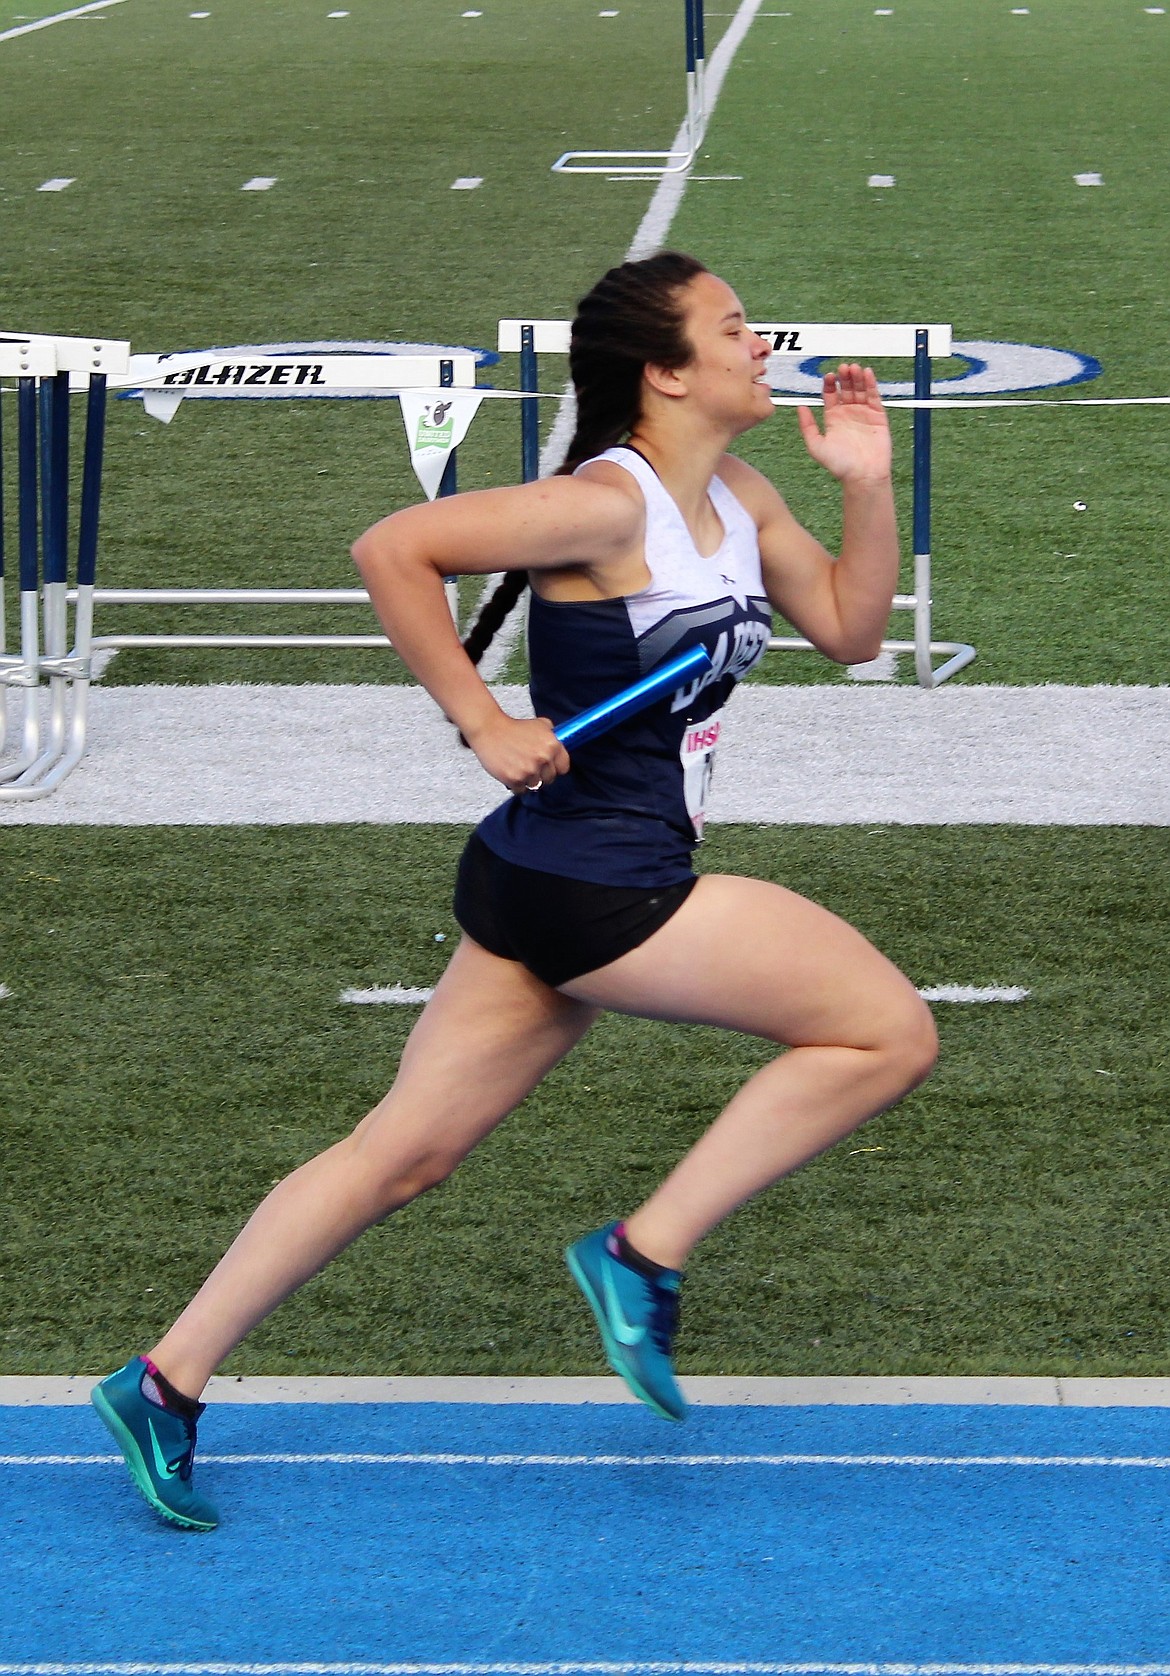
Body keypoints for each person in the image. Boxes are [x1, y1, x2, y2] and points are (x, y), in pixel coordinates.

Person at [91, 250, 938, 1532]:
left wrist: (869, 486)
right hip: (608, 880)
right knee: (884, 1028)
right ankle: (639, 1254)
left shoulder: (742, 493)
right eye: (734, 327)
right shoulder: (605, 507)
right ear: (664, 371)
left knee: (401, 1153)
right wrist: (480, 715)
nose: (761, 343)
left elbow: (852, 627)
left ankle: (162, 1380)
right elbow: (395, 547)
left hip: (548, 868)